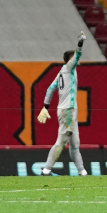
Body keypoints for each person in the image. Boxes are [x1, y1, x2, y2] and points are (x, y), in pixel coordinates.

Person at [37, 32, 88, 176]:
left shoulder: (60, 73)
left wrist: (46, 106)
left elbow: (50, 89)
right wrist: (80, 43)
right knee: (61, 141)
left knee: (75, 144)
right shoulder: (69, 68)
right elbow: (77, 55)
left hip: (67, 110)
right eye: (73, 59)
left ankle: (82, 172)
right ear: (69, 60)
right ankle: (46, 170)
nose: (77, 60)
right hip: (68, 110)